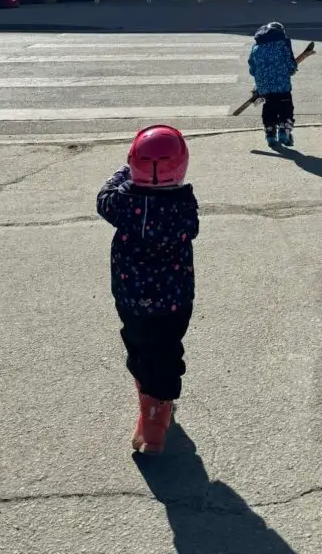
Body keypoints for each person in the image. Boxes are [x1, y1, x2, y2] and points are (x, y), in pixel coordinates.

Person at [96, 125, 200, 455]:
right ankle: (157, 409)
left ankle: (151, 407)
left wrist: (127, 172)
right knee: (167, 350)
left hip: (132, 297)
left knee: (138, 345)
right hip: (174, 300)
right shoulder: (184, 208)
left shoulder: (123, 205)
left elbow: (103, 197)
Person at [248, 21, 298, 147]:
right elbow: (290, 64)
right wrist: (292, 70)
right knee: (286, 106)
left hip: (264, 86)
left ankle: (269, 131)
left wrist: (261, 77)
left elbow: (252, 68)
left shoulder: (256, 46)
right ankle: (284, 129)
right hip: (282, 85)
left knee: (269, 106)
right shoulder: (283, 43)